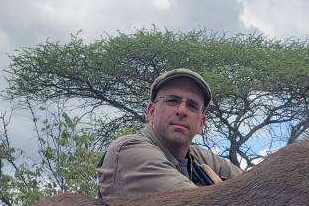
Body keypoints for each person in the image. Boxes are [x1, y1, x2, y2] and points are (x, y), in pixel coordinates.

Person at [97, 68, 242, 198]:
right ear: (151, 112)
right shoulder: (128, 150)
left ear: (201, 123)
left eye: (192, 106)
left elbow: (255, 186)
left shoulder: (203, 159)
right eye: (172, 101)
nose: (182, 111)